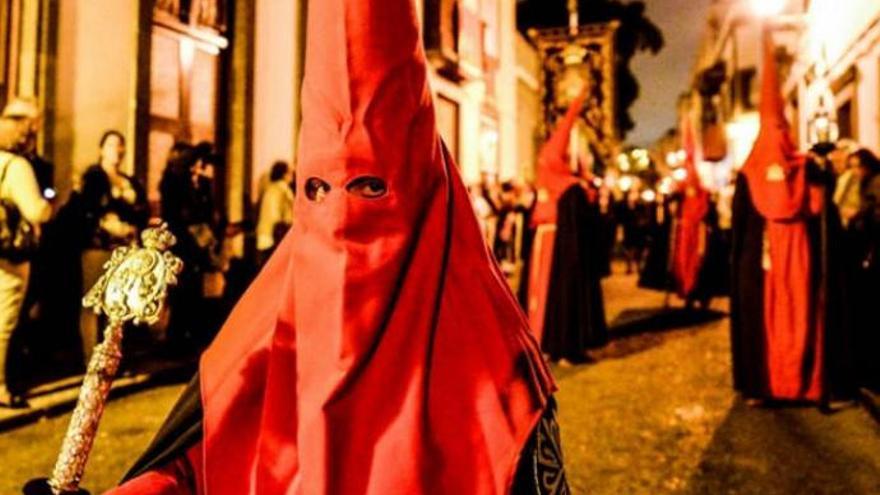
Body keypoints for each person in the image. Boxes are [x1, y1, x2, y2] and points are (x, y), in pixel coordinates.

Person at [109, 0, 564, 493]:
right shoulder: (260, 331)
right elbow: (186, 471)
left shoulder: (504, 381)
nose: (342, 218)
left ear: (424, 195)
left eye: (370, 187)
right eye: (318, 189)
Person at [730, 32, 855, 405]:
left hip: (769, 262)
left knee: (780, 317)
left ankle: (771, 385)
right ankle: (802, 382)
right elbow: (821, 211)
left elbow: (740, 233)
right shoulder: (805, 169)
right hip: (794, 256)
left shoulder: (751, 171)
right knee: (800, 315)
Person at [67, 130, 148, 365]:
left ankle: (112, 354)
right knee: (93, 302)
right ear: (102, 149)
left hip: (124, 249)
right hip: (98, 247)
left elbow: (141, 210)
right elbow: (89, 209)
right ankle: (91, 356)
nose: (118, 149)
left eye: (121, 145)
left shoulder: (128, 180)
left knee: (117, 305)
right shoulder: (94, 176)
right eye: (112, 144)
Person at [0, 116, 51, 408]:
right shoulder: (16, 167)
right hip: (10, 254)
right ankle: (1, 387)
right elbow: (35, 211)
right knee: (4, 320)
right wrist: (47, 205)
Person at [255, 160, 294, 265]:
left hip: (263, 236)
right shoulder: (284, 189)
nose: (292, 176)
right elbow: (290, 215)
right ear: (284, 174)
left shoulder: (269, 188)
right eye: (290, 173)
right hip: (275, 237)